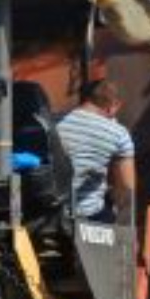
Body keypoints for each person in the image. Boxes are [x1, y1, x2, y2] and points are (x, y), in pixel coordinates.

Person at [56, 79, 136, 223]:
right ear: (113, 106)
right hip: (88, 215)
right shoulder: (118, 134)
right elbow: (127, 186)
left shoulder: (56, 122)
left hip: (52, 210)